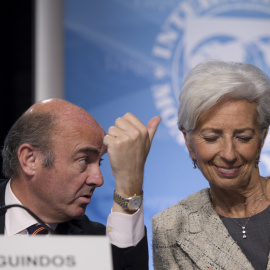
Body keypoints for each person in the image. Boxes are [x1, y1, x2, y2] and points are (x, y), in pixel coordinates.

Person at [0, 98, 161, 270]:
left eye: (99, 163)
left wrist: (129, 185)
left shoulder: (95, 242)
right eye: (84, 160)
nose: (98, 180)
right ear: (31, 160)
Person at [152, 60, 270, 270]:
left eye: (243, 137)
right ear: (188, 141)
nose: (229, 154)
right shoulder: (171, 227)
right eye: (211, 138)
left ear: (262, 137)